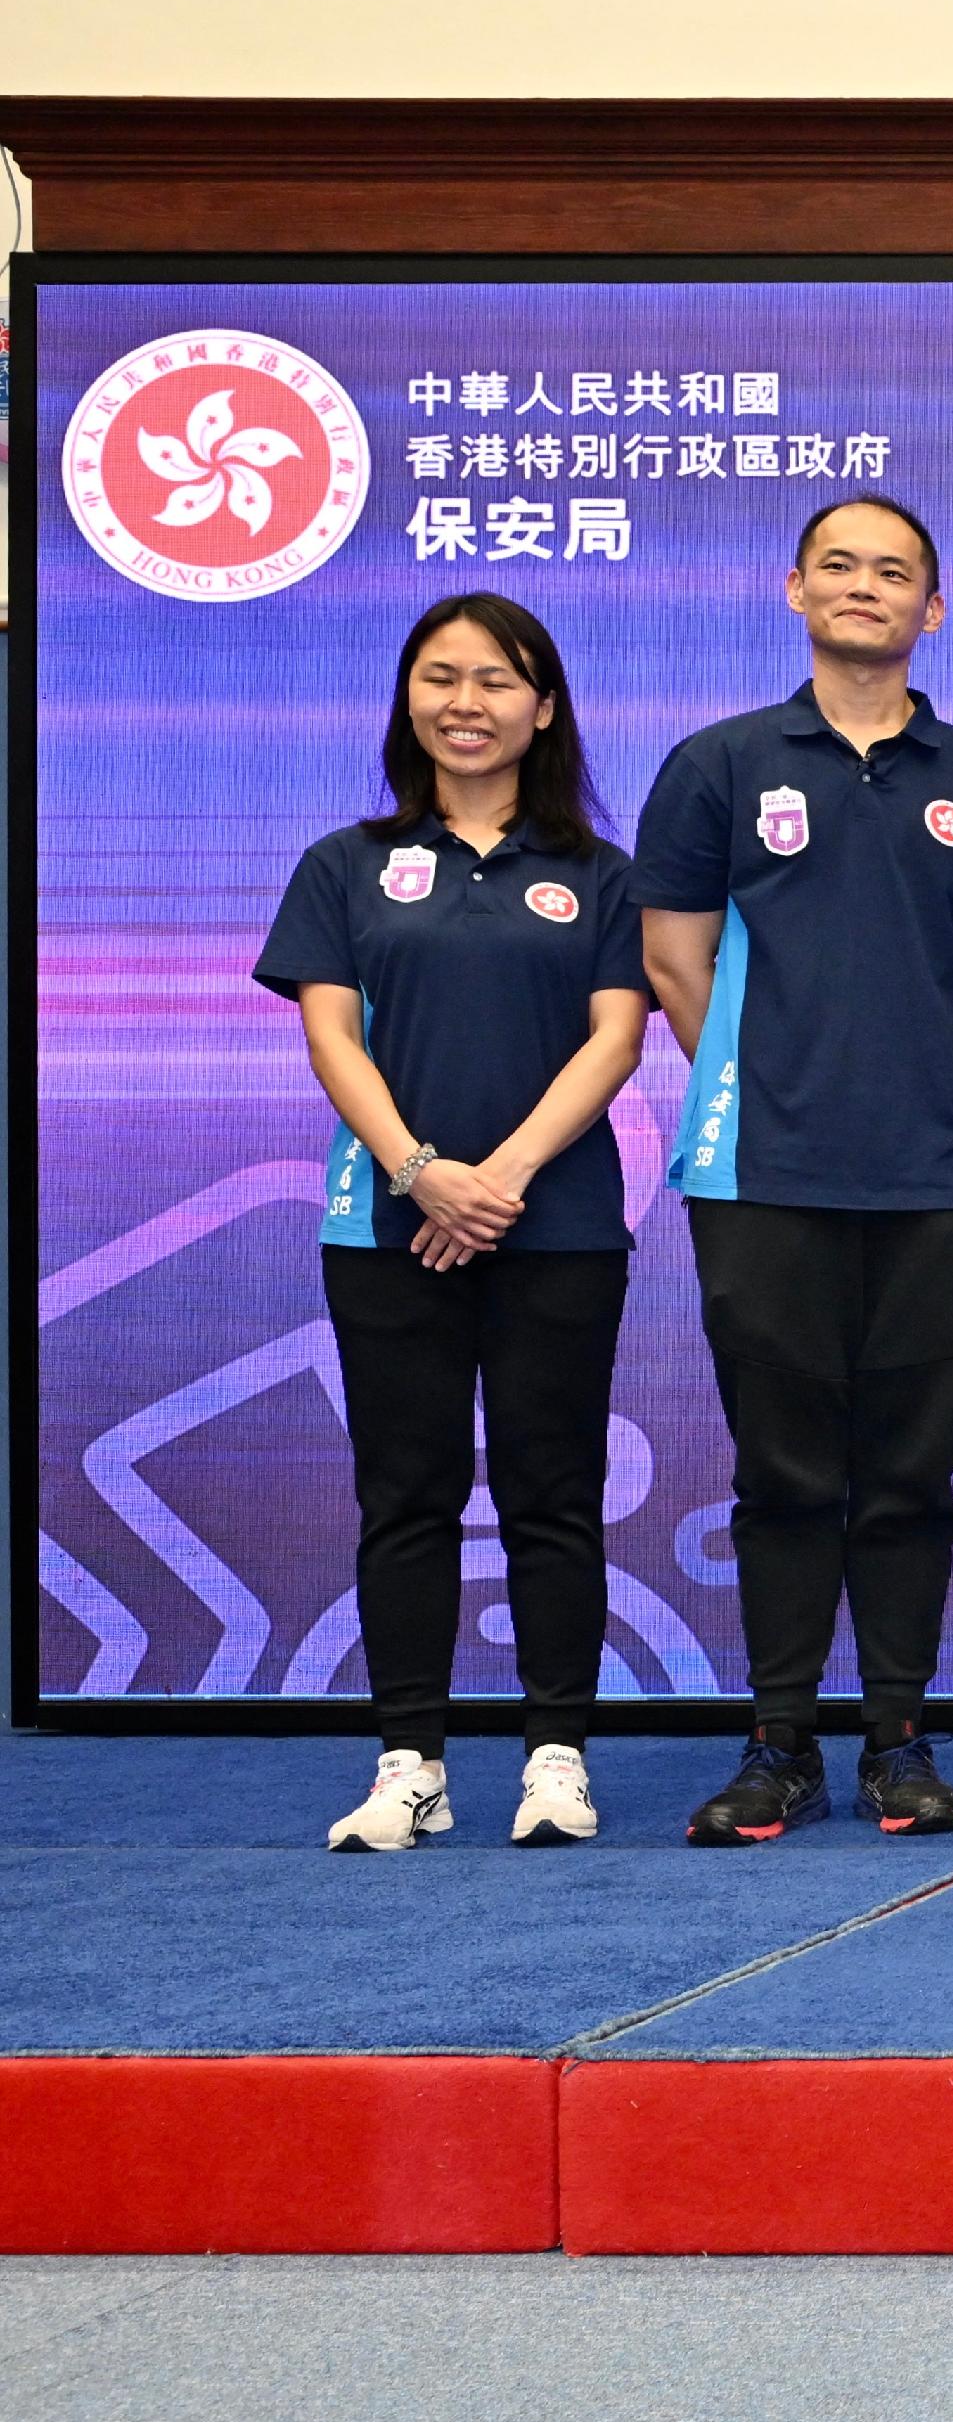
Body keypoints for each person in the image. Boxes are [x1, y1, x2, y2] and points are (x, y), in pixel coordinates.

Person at [639, 495, 953, 1844]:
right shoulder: (720, 763)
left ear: (934, 609)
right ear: (794, 586)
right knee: (786, 1464)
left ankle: (900, 1735)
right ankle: (777, 1737)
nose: (866, 588)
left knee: (915, 1468)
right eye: (841, 566)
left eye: (897, 573)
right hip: (763, 1171)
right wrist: (766, 1078)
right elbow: (676, 958)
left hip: (936, 1171)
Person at [260, 595, 654, 1851]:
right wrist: (423, 1171)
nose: (466, 702)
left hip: (561, 1224)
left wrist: (501, 1182)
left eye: (496, 680)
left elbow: (619, 1034)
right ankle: (410, 1760)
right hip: (384, 1224)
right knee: (407, 1493)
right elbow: (331, 1031)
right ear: (407, 701)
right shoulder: (347, 864)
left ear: (544, 707)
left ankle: (555, 1759)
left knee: (553, 1493)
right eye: (441, 677)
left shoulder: (599, 874)